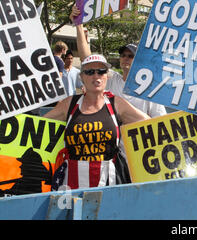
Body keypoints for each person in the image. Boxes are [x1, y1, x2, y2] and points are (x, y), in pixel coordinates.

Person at [44, 54, 152, 190]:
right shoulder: (69, 104)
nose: (96, 76)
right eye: (90, 72)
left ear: (107, 76)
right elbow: (36, 125)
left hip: (109, 182)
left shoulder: (117, 103)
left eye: (101, 71)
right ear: (82, 77)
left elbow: (152, 125)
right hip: (72, 182)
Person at [69, 6, 167, 118]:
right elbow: (87, 59)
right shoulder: (112, 79)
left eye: (130, 56)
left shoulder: (149, 89)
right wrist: (79, 26)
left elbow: (161, 120)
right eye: (123, 55)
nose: (125, 58)